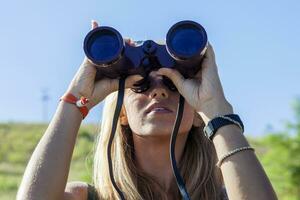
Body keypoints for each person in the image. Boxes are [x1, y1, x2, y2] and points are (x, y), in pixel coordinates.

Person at [17, 20, 277, 200]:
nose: (159, 91)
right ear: (121, 114)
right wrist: (75, 102)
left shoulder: (231, 193)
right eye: (140, 85)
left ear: (197, 115)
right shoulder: (88, 197)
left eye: (174, 85)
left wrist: (215, 109)